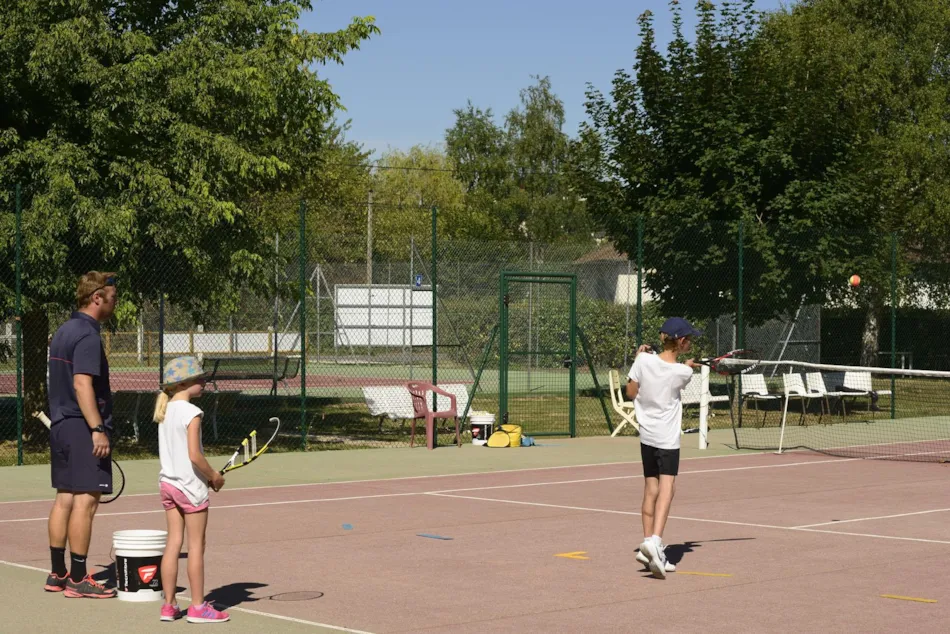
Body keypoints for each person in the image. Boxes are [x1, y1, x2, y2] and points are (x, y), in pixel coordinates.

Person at [45, 271, 118, 597]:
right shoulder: (88, 335)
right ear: (97, 298)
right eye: (113, 297)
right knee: (86, 502)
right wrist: (97, 429)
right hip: (81, 426)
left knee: (64, 499)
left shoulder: (64, 330)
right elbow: (82, 383)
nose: (116, 303)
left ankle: (57, 573)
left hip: (61, 424)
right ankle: (77, 578)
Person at [153, 355, 229, 623]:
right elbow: (195, 455)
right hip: (189, 488)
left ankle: (169, 606)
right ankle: (198, 607)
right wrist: (214, 477)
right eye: (200, 378)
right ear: (184, 383)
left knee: (174, 544)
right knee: (196, 546)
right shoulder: (191, 412)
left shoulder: (165, 410)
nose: (204, 382)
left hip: (168, 485)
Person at [626, 317, 700, 579]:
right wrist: (687, 365)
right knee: (668, 489)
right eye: (689, 338)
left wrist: (639, 359)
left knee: (650, 489)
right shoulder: (683, 372)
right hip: (667, 439)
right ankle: (655, 543)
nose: (691, 341)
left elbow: (631, 392)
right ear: (680, 341)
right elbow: (677, 372)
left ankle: (649, 544)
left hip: (646, 436)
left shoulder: (643, 360)